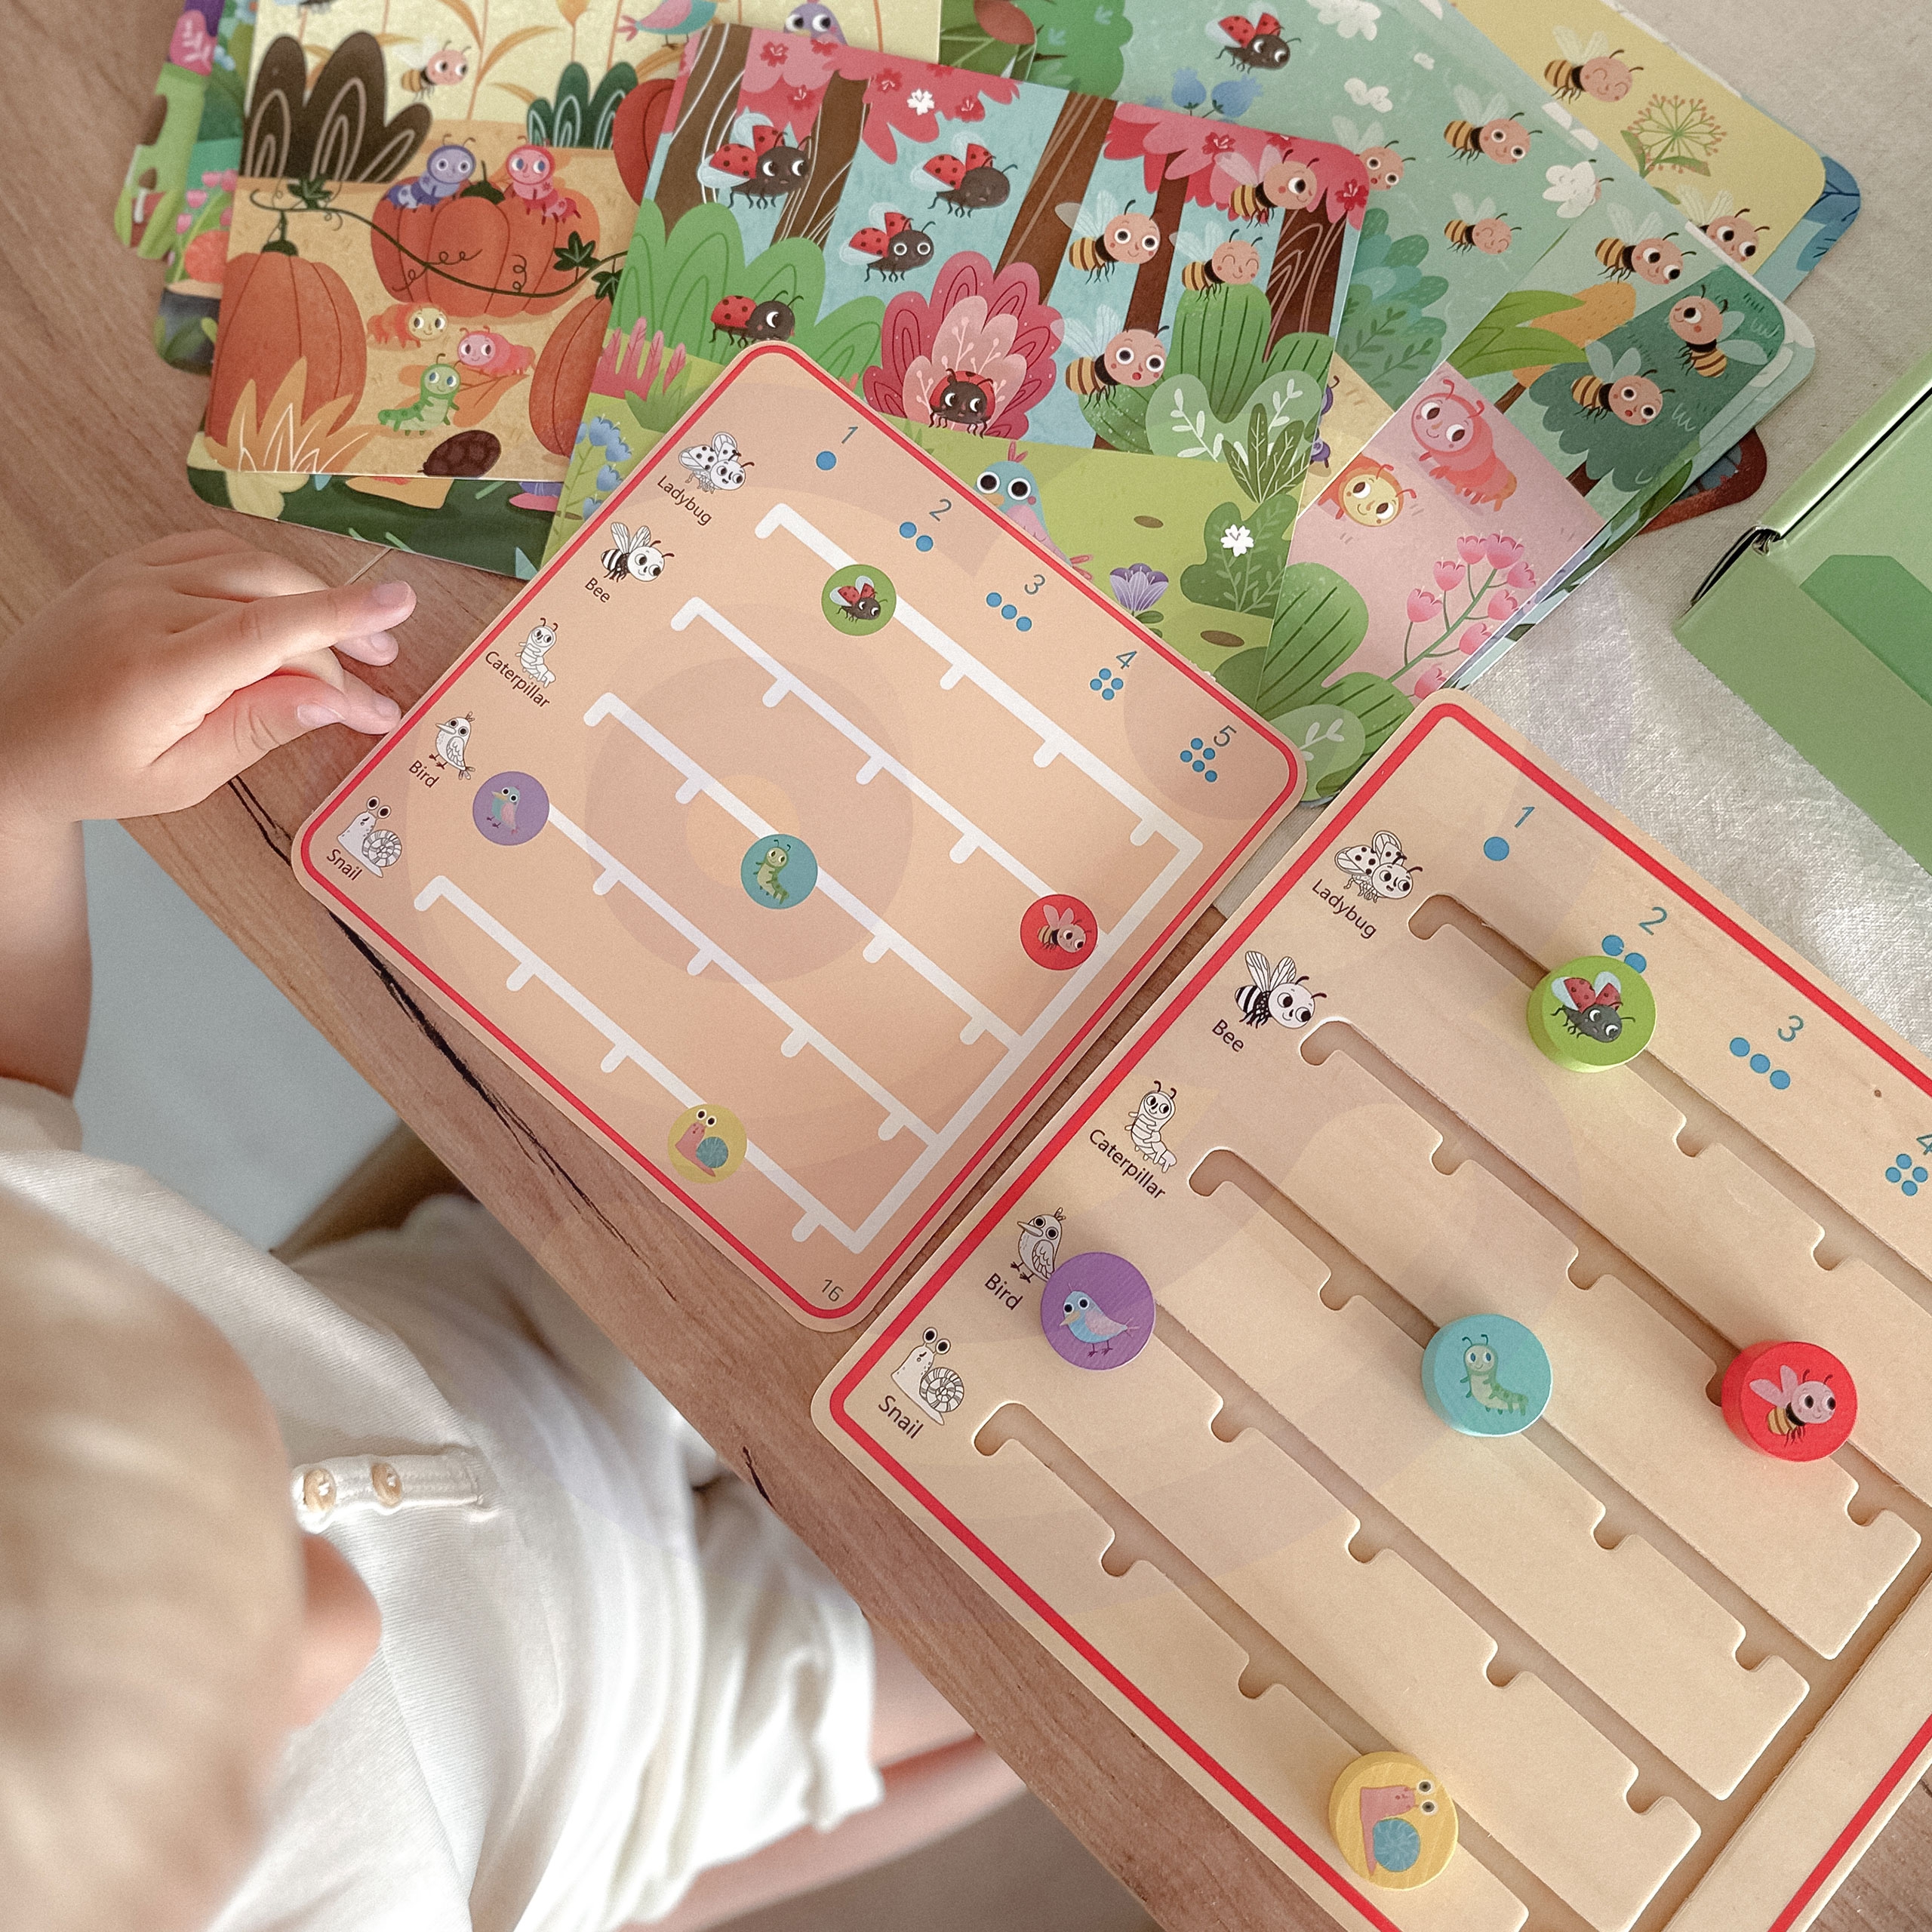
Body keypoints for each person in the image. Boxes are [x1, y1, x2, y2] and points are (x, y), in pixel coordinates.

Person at [0, 531, 1020, 1932]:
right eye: (246, 1745)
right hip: (658, 1745)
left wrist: (22, 784)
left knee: (879, 1089)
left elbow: (13, 1095)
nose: (350, 1612)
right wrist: (652, 1879)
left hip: (520, 1315)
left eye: (254, 1500)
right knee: (1044, 1683)